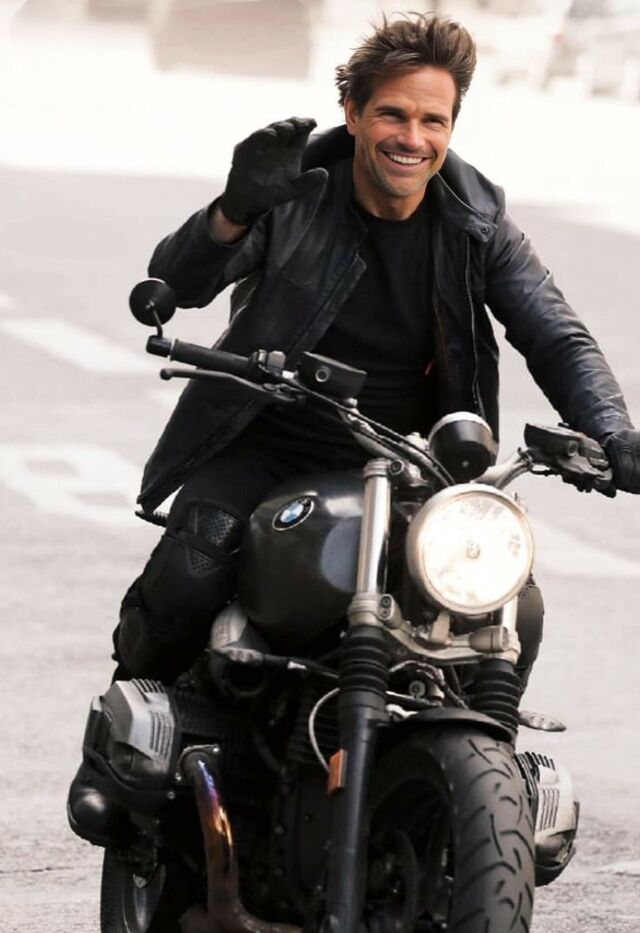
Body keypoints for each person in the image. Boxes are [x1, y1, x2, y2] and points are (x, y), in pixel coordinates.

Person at [68, 12, 640, 846]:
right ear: (354, 113)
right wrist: (234, 209)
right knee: (196, 563)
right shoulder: (294, 192)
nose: (412, 137)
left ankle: (481, 799)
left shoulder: (479, 223)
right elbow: (179, 279)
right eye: (393, 114)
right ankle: (117, 759)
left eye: (433, 119)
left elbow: (555, 333)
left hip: (412, 467)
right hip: (273, 441)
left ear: (452, 127)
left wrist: (612, 431)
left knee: (511, 604)